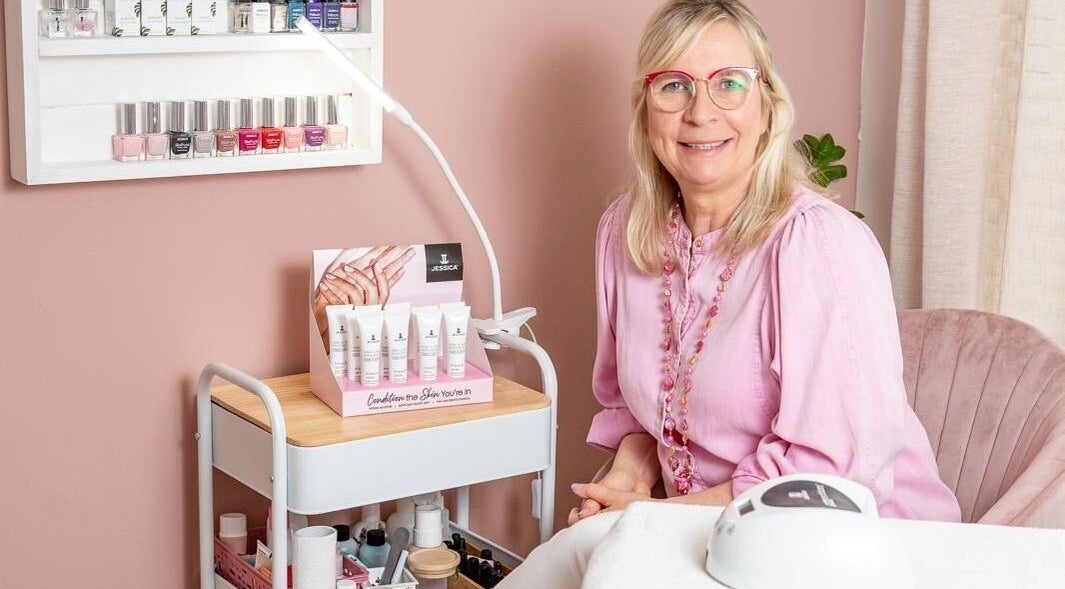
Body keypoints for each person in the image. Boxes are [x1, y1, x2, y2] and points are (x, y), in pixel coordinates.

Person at [497, 1, 960, 586]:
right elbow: (637, 411)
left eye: (730, 84)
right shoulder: (624, 232)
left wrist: (650, 520)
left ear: (767, 106)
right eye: (674, 86)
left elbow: (834, 473)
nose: (701, 113)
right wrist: (631, 476)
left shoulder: (815, 243)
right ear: (646, 111)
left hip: (847, 543)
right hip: (710, 538)